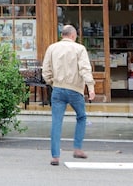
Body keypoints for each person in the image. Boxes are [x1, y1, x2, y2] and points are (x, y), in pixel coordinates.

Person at [41, 24, 95, 166]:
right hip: (75, 89)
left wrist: (52, 82)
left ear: (62, 35)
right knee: (81, 117)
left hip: (58, 88)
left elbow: (45, 70)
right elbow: (84, 69)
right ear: (73, 35)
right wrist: (91, 87)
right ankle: (77, 148)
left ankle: (55, 156)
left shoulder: (52, 48)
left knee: (56, 121)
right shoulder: (79, 49)